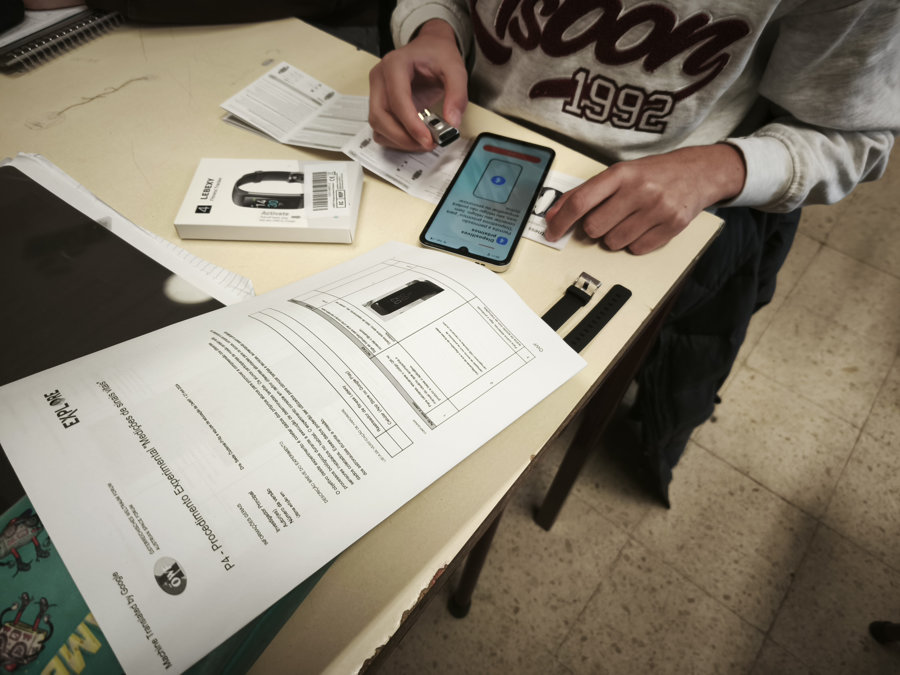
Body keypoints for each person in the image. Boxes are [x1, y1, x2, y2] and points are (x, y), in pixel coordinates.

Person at [368, 0, 900, 506]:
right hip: (467, 148)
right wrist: (435, 27)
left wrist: (719, 169)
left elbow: (855, 137)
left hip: (654, 216)